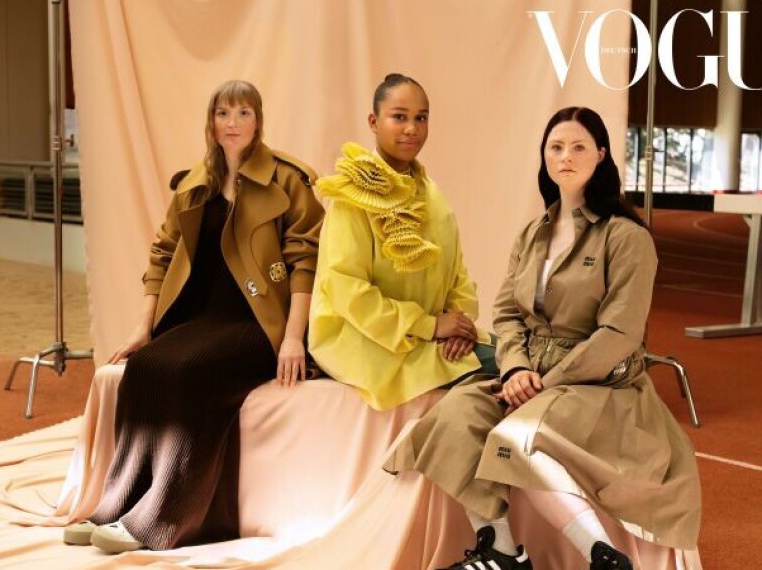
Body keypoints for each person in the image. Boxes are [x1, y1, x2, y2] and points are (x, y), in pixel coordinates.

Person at [384, 107, 701, 570]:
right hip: (529, 375)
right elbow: (508, 312)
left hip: (597, 385)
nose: (565, 156)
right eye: (556, 147)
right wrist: (514, 369)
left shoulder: (627, 238)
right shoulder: (533, 234)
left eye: (577, 146)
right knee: (455, 415)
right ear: (545, 158)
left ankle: (605, 558)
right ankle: (502, 550)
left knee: (517, 437)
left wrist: (542, 382)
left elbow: (620, 333)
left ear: (601, 155)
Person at [63, 80, 323, 553]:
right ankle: (118, 503)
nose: (234, 124)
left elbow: (307, 261)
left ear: (258, 121)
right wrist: (143, 327)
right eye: (224, 114)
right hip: (204, 315)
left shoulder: (288, 182)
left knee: (189, 372)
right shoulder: (193, 184)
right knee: (144, 367)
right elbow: (162, 254)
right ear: (212, 122)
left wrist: (292, 339)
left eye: (244, 114)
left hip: (258, 322)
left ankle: (161, 519)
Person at [309, 73, 497, 412]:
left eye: (420, 118)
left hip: (431, 337)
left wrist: (459, 324)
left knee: (516, 357)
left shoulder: (432, 195)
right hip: (369, 343)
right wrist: (429, 326)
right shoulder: (353, 196)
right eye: (399, 117)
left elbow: (457, 273)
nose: (412, 128)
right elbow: (346, 288)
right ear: (373, 121)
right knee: (507, 367)